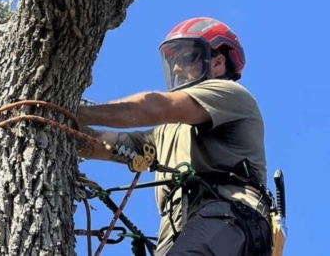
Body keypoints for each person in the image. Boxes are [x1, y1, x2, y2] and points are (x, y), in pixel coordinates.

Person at [76, 17, 273, 256]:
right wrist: (68, 130)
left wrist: (79, 112)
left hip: (230, 218)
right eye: (173, 62)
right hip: (183, 233)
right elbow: (107, 145)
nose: (177, 68)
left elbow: (154, 107)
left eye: (186, 57)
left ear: (218, 63)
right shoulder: (167, 131)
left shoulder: (231, 95)